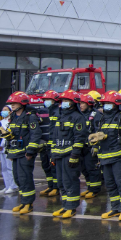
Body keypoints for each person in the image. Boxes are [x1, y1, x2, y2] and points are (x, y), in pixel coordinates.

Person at [90, 90, 121, 221]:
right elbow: (98, 135)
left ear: (116, 104)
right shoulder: (102, 119)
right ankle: (115, 208)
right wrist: (95, 144)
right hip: (105, 158)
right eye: (104, 103)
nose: (106, 105)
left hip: (119, 158)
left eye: (108, 103)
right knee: (110, 184)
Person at [49, 90, 89, 218]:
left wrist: (74, 156)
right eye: (63, 101)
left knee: (70, 181)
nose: (64, 103)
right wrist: (53, 154)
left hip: (69, 155)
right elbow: (54, 137)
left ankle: (71, 207)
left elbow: (79, 138)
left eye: (66, 101)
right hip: (59, 155)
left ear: (73, 103)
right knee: (61, 182)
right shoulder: (60, 116)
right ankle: (65, 205)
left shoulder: (78, 117)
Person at [4, 92, 42, 214]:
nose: (12, 105)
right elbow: (11, 135)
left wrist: (30, 151)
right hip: (15, 152)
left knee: (25, 178)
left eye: (14, 103)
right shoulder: (13, 117)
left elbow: (35, 134)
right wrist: (9, 151)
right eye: (11, 103)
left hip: (25, 153)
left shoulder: (30, 117)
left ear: (22, 104)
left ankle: (28, 203)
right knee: (18, 178)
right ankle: (23, 202)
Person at [77, 93, 103, 199]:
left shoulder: (96, 115)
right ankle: (89, 187)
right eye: (79, 103)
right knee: (84, 169)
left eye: (83, 103)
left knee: (92, 168)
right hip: (81, 147)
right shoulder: (79, 115)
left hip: (91, 148)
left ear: (89, 104)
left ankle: (94, 190)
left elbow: (99, 132)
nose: (81, 105)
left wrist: (96, 146)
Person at [38, 90, 61, 197]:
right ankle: (50, 185)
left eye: (48, 100)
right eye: (45, 100)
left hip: (53, 145)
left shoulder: (58, 112)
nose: (46, 101)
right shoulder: (42, 111)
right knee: (46, 166)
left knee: (54, 166)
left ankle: (56, 187)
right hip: (44, 144)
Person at [0, 105, 19, 195]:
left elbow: (8, 135)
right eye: (3, 109)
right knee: (4, 168)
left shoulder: (12, 121)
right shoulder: (0, 122)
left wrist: (2, 144)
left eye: (5, 110)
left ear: (10, 112)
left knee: (10, 168)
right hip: (1, 149)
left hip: (8, 147)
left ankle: (13, 186)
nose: (3, 111)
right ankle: (7, 185)